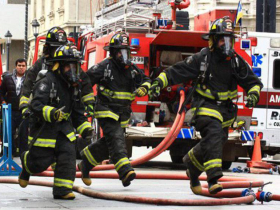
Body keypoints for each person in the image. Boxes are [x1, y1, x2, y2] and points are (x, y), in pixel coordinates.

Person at [149, 16, 263, 195]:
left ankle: (192, 167)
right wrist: (158, 82)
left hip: (225, 111)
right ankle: (213, 179)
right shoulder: (203, 58)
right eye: (222, 40)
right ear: (212, 41)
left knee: (215, 141)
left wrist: (254, 93)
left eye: (229, 40)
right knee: (215, 134)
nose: (226, 45)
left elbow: (253, 82)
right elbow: (176, 71)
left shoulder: (235, 60)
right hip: (205, 107)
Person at [77, 32, 152, 187]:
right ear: (112, 52)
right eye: (120, 51)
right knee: (117, 140)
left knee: (109, 143)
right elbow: (84, 81)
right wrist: (86, 102)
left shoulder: (131, 68)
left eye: (126, 51)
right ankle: (125, 171)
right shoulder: (103, 67)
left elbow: (145, 79)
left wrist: (144, 87)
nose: (123, 55)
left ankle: (86, 163)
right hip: (106, 111)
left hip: (123, 113)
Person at [18, 44, 89, 200]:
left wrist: (85, 128)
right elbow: (36, 105)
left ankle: (62, 190)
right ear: (59, 66)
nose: (73, 71)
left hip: (64, 129)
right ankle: (26, 162)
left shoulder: (74, 87)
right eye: (70, 67)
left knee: (68, 155)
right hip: (45, 129)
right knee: (39, 163)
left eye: (75, 67)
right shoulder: (46, 81)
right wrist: (52, 113)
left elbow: (77, 111)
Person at [0, 58, 27, 157]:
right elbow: (1, 92)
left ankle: (24, 155)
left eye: (23, 66)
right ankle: (9, 154)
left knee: (24, 134)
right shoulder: (8, 78)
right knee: (8, 133)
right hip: (10, 111)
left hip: (23, 111)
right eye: (19, 65)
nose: (21, 68)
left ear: (26, 67)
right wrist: (3, 102)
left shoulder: (29, 79)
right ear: (16, 66)